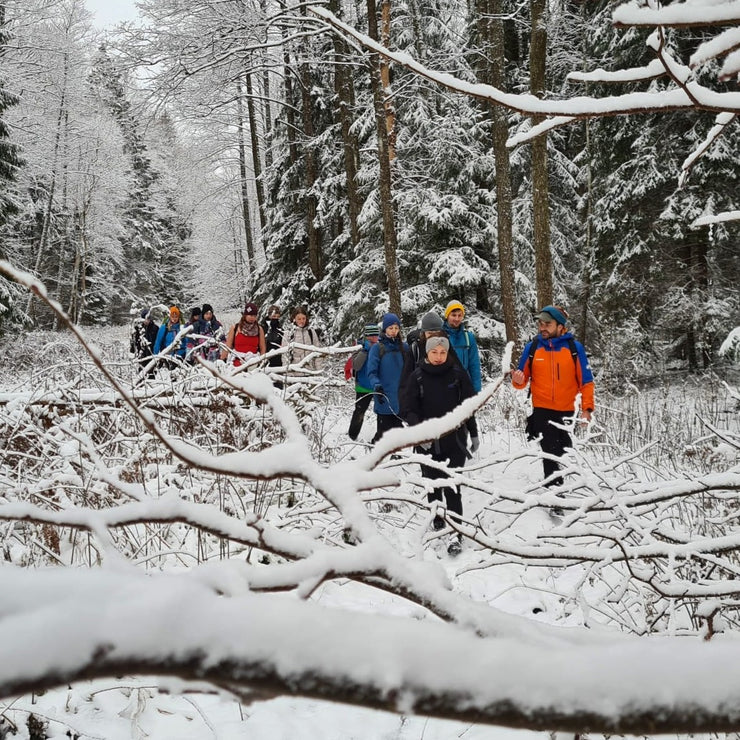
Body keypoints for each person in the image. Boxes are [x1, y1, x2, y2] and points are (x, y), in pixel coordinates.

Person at [400, 333, 476, 556]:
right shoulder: (417, 377)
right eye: (434, 352)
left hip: (455, 442)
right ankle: (438, 518)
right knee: (433, 486)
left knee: (453, 488)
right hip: (428, 443)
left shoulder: (457, 374)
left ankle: (456, 534)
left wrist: (474, 432)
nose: (439, 356)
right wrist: (420, 434)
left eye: (443, 352)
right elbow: (407, 408)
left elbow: (469, 405)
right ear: (427, 353)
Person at [511, 304, 594, 493]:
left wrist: (587, 408)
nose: (542, 328)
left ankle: (560, 483)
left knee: (564, 451)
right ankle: (554, 494)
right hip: (542, 410)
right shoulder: (532, 348)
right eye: (540, 323)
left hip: (567, 410)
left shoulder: (574, 349)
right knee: (549, 452)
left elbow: (586, 381)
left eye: (547, 324)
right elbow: (521, 380)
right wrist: (517, 380)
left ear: (560, 326)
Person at [366, 313, 408, 442]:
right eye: (391, 328)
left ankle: (396, 454)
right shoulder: (377, 348)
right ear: (385, 329)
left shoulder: (404, 347)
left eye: (396, 328)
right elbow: (371, 372)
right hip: (384, 395)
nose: (394, 331)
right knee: (383, 431)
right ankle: (376, 451)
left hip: (400, 396)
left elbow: (410, 370)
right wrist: (376, 385)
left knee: (398, 430)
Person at [344, 322, 380, 441]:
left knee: (382, 413)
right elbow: (356, 366)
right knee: (359, 412)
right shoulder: (359, 347)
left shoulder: (382, 346)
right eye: (372, 336)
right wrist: (365, 351)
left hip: (378, 385)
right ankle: (352, 436)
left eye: (376, 335)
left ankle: (380, 437)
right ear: (367, 336)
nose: (374, 338)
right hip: (363, 386)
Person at [443, 300, 482, 393]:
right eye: (453, 315)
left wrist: (476, 390)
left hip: (464, 386)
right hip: (444, 386)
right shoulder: (440, 335)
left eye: (459, 315)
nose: (457, 318)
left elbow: (474, 365)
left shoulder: (468, 337)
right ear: (447, 315)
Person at [222, 302, 266, 366]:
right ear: (245, 315)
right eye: (250, 315)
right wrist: (222, 359)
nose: (252, 318)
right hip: (237, 363)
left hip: (253, 363)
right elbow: (228, 346)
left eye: (254, 316)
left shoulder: (259, 329)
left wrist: (262, 362)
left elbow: (262, 348)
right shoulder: (235, 328)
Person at [283, 305, 322, 370]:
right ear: (294, 319)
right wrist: (287, 371)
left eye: (303, 318)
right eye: (299, 319)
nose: (302, 321)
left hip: (310, 372)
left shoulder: (311, 332)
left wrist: (318, 370)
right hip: (294, 373)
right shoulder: (289, 333)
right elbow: (284, 356)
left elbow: (317, 353)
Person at [130, 308, 159, 378]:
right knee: (141, 372)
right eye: (144, 318)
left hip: (152, 353)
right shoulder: (138, 328)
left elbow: (157, 341)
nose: (146, 321)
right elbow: (135, 340)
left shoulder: (155, 328)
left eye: (148, 318)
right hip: (141, 353)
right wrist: (132, 351)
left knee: (151, 372)